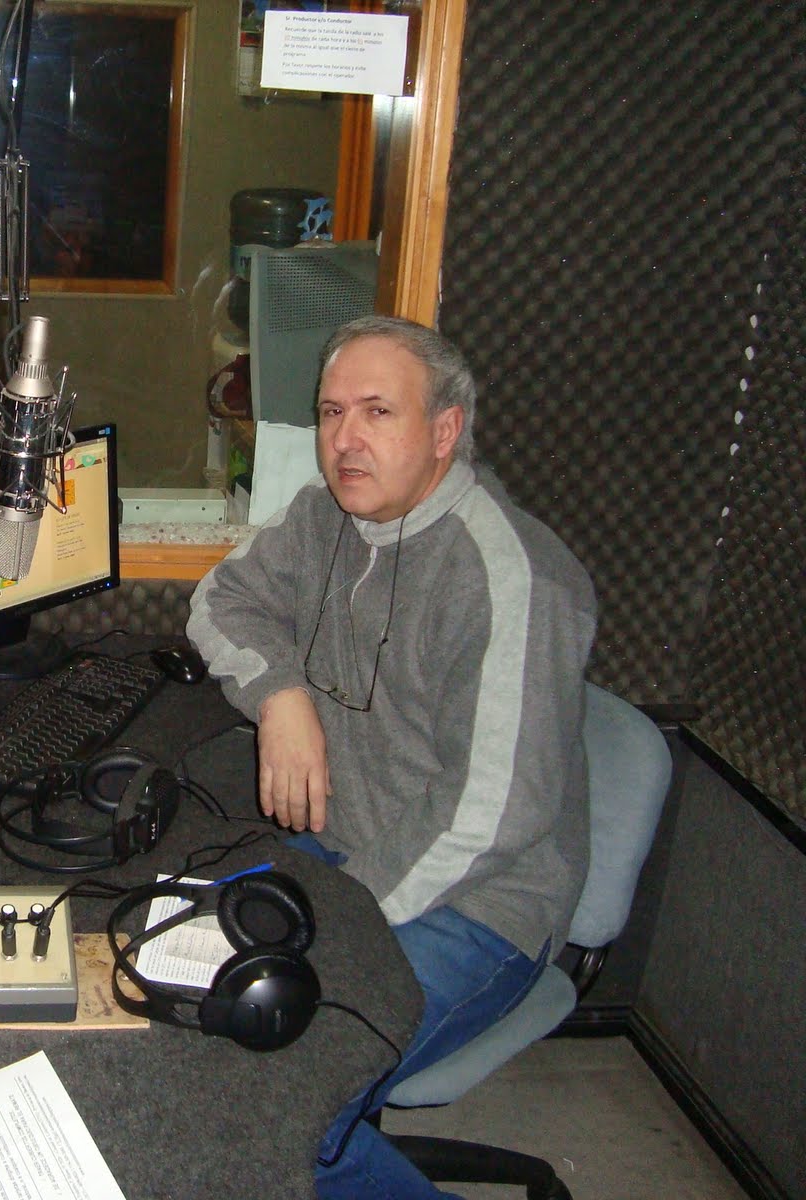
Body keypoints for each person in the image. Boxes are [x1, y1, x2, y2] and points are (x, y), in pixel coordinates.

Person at [187, 316, 596, 1199]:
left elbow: (491, 817)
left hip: (482, 903)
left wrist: (341, 920)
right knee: (180, 991)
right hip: (346, 849)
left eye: (378, 412)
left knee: (288, 1103)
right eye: (332, 412)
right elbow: (221, 599)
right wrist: (281, 697)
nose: (345, 439)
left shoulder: (513, 580)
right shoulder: (326, 516)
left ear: (445, 431)